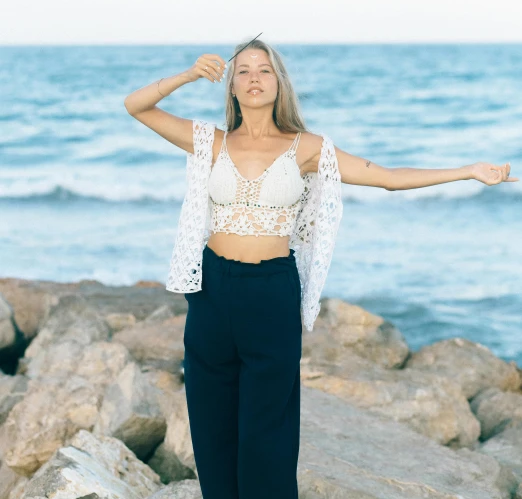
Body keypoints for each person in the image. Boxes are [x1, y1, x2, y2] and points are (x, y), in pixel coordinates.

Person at [124, 37, 517, 499]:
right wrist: (189, 74)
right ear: (230, 85)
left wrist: (466, 170)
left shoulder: (307, 148)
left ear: (279, 83)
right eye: (244, 70)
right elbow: (137, 105)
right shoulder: (209, 141)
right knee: (211, 425)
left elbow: (388, 178)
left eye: (264, 70)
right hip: (212, 290)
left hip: (271, 291)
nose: (254, 78)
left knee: (265, 431)